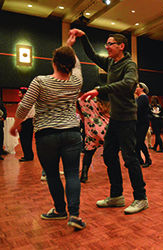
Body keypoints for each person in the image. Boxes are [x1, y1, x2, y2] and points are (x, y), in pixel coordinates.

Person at [10, 35, 86, 230]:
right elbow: (76, 64)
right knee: (71, 174)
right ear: (70, 63)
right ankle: (75, 215)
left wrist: (15, 125)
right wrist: (70, 47)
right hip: (72, 133)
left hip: (46, 135)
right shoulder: (76, 81)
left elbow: (24, 106)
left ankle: (60, 210)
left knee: (52, 174)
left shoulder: (40, 81)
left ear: (54, 62)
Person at [70, 28, 148, 214]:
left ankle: (141, 197)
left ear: (121, 46)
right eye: (106, 44)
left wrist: (100, 90)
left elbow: (128, 84)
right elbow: (91, 54)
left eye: (110, 44)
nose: (107, 47)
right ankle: (117, 195)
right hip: (115, 119)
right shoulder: (111, 63)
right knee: (109, 155)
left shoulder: (129, 65)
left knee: (130, 158)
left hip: (127, 118)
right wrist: (84, 37)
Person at [77, 92, 110, 183]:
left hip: (93, 131)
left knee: (89, 153)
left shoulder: (89, 102)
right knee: (111, 153)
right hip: (107, 129)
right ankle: (113, 173)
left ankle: (84, 175)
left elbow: (79, 100)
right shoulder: (110, 102)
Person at [135, 82, 152, 168]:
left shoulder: (143, 97)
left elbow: (137, 109)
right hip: (139, 123)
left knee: (140, 142)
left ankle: (148, 159)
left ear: (142, 88)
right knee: (137, 143)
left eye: (137, 87)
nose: (136, 88)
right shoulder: (140, 98)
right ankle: (139, 160)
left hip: (142, 123)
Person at [17, 87, 35, 162]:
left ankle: (27, 156)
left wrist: (19, 123)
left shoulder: (23, 103)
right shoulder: (31, 102)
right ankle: (29, 155)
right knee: (28, 139)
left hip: (26, 122)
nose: (18, 94)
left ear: (24, 94)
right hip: (31, 122)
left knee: (24, 140)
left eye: (20, 93)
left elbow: (23, 115)